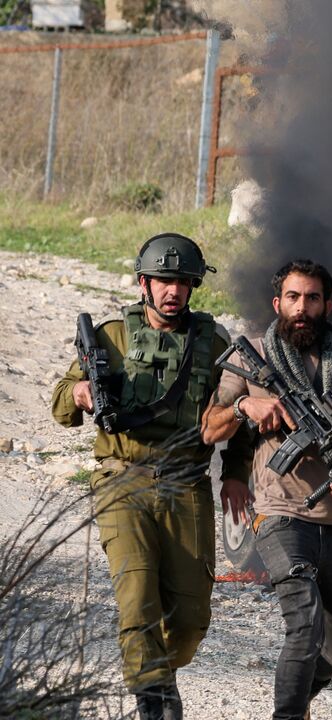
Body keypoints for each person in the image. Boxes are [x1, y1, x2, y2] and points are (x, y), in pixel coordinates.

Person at [51, 233, 251, 720]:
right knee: (137, 599)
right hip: (123, 478)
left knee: (190, 618)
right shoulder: (112, 336)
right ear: (144, 282)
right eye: (163, 280)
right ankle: (154, 702)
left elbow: (237, 409)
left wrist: (237, 473)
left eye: (183, 282)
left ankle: (158, 672)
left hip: (187, 484)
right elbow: (59, 403)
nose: (172, 291)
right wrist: (80, 392)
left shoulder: (215, 344)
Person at [203, 258, 332, 720]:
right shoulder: (253, 356)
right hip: (280, 511)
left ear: (327, 304)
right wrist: (247, 405)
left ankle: (299, 700)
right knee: (304, 626)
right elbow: (210, 428)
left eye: (311, 298)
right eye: (292, 297)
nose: (301, 308)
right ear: (277, 303)